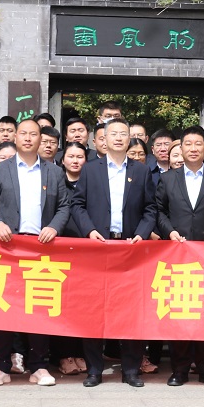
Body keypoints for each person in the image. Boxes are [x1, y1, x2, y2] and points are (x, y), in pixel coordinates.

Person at [0, 119, 73, 388]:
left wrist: (54, 227)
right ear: (15, 138)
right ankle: (1, 366)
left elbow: (64, 207)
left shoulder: (54, 172)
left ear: (41, 139)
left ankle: (39, 366)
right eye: (24, 134)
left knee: (38, 307)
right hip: (8, 247)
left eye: (34, 134)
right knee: (4, 306)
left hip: (41, 248)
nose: (28, 138)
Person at [72, 118, 158, 387]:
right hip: (98, 248)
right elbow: (77, 204)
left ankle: (131, 370)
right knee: (94, 310)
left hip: (130, 249)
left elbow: (151, 209)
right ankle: (94, 370)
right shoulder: (90, 169)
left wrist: (141, 233)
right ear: (103, 139)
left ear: (130, 138)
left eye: (123, 133)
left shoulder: (141, 171)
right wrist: (89, 231)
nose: (119, 138)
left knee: (131, 310)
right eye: (113, 134)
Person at [155, 126, 204, 388]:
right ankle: (180, 369)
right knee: (180, 311)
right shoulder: (168, 179)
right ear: (181, 148)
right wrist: (169, 231)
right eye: (188, 144)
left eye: (198, 144)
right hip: (178, 256)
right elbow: (159, 212)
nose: (193, 149)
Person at [53, 141, 90, 376]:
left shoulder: (92, 182)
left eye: (80, 157)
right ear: (63, 159)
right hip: (60, 251)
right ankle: (64, 354)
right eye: (71, 156)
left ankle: (80, 353)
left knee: (82, 306)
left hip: (86, 253)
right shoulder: (56, 181)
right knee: (62, 305)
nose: (75, 161)